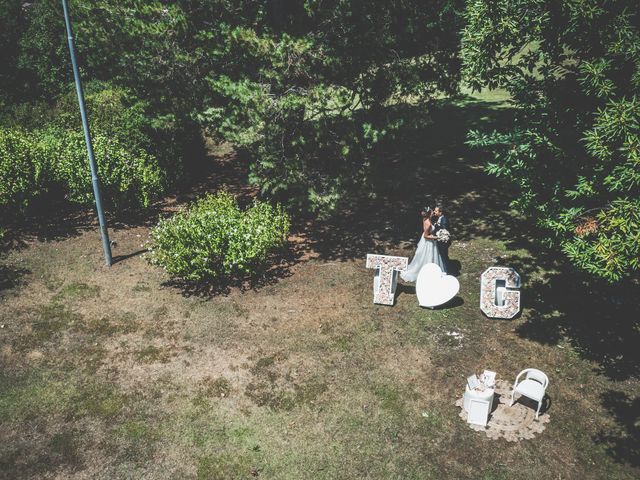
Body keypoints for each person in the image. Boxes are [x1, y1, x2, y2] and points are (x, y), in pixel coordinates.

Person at [400, 207, 447, 282]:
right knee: (428, 256)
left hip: (429, 240)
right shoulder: (428, 223)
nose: (433, 213)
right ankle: (427, 273)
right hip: (428, 241)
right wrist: (437, 237)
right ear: (429, 214)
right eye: (432, 212)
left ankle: (431, 272)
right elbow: (426, 235)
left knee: (430, 256)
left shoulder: (426, 219)